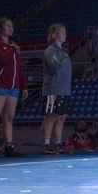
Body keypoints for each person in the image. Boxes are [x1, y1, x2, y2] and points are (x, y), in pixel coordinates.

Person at [0, 17, 27, 158]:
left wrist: (23, 85)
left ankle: (9, 145)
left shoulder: (14, 44)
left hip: (13, 85)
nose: (10, 28)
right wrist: (10, 49)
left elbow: (18, 67)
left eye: (11, 26)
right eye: (7, 26)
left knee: (9, 117)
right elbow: (0, 58)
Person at [40, 23, 72, 154]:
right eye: (63, 32)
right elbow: (55, 68)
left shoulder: (63, 52)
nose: (65, 35)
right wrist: (64, 59)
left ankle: (58, 143)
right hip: (53, 89)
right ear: (55, 34)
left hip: (64, 89)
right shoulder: (51, 50)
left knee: (61, 117)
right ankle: (46, 144)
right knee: (51, 117)